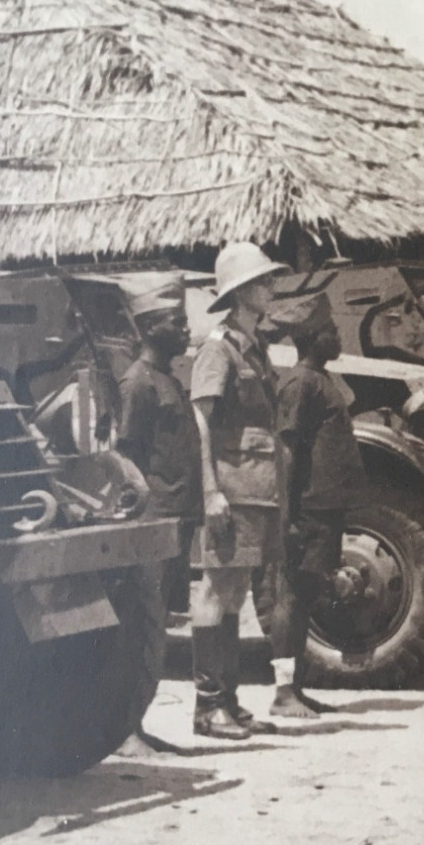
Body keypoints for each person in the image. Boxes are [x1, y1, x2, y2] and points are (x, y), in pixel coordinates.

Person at [189, 241, 290, 740]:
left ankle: (227, 702)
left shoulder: (254, 347)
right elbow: (201, 425)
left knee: (236, 594)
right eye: (264, 282)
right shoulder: (218, 349)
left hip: (257, 489)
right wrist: (211, 493)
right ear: (241, 291)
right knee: (216, 589)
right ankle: (207, 708)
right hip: (231, 488)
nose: (272, 288)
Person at [269, 291, 368, 719]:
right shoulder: (300, 383)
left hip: (324, 507)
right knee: (293, 594)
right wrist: (287, 516)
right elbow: (287, 451)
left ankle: (297, 688)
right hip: (308, 508)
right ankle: (283, 693)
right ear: (312, 338)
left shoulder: (320, 379)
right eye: (331, 331)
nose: (338, 336)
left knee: (305, 594)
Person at [115, 272, 203, 620]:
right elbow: (126, 455)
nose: (187, 330)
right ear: (151, 327)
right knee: (148, 615)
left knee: (164, 615)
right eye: (177, 322)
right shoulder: (138, 383)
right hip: (156, 521)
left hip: (177, 516)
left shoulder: (166, 378)